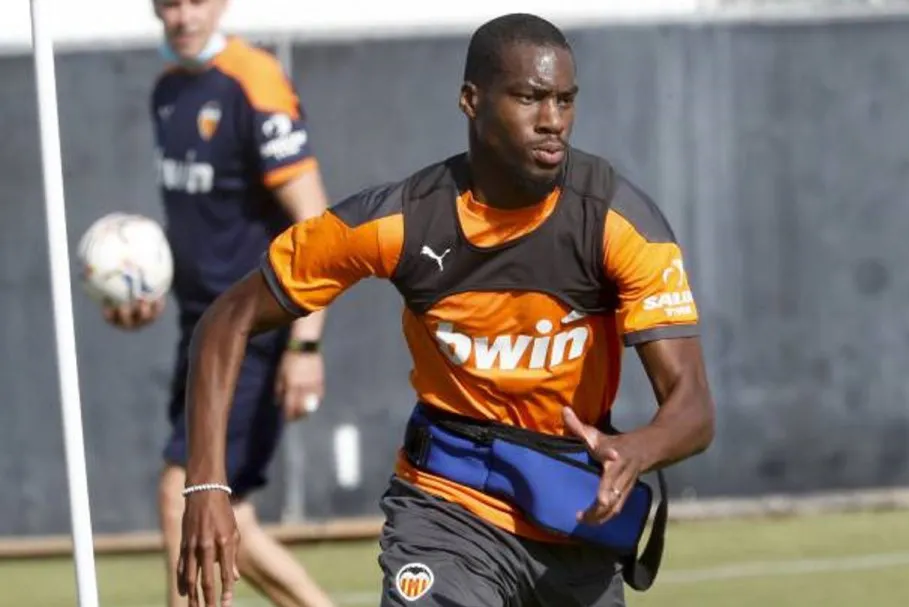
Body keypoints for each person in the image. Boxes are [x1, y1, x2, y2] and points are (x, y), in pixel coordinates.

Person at [175, 12, 716, 607]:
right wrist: (206, 484)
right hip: (446, 510)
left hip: (575, 519)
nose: (553, 122)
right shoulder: (401, 221)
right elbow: (225, 320)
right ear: (471, 101)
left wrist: (638, 449)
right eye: (530, 98)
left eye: (564, 100)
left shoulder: (618, 222)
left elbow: (692, 406)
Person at [102, 1, 336, 605]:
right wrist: (145, 292)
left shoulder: (253, 81)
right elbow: (202, 225)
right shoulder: (167, 91)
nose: (182, 16)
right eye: (168, 3)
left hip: (252, 328)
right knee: (236, 518)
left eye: (195, 1)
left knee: (186, 487)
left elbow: (315, 225)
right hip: (196, 327)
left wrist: (307, 343)